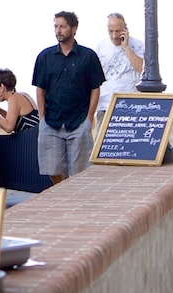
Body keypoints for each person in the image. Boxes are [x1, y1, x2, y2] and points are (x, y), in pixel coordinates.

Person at [32, 10, 105, 184]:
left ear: (74, 28)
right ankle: (60, 192)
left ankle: (77, 201)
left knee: (81, 172)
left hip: (78, 121)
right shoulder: (45, 57)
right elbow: (40, 89)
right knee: (53, 169)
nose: (58, 30)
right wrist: (42, 117)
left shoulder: (88, 56)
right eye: (56, 26)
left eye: (63, 26)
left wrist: (89, 117)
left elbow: (95, 88)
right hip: (51, 121)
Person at [95, 12, 144, 134]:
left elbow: (142, 69)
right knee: (102, 147)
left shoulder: (137, 45)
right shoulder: (101, 46)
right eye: (110, 31)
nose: (114, 35)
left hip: (130, 105)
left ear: (125, 29)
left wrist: (126, 47)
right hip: (106, 105)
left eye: (118, 31)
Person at [0, 69, 40, 133]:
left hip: (28, 139)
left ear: (2, 87)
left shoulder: (13, 98)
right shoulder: (22, 95)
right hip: (33, 137)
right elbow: (12, 119)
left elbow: (8, 128)